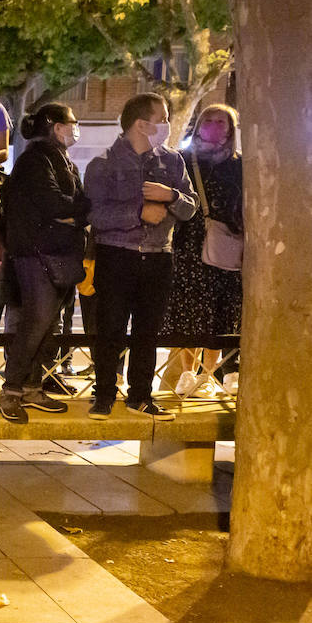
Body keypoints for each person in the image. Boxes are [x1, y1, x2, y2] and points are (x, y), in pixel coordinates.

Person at [86, 92, 196, 420]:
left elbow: (190, 208)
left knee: (148, 331)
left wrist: (172, 195)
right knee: (110, 329)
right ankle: (104, 394)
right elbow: (93, 214)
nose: (166, 124)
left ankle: (141, 396)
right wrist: (138, 212)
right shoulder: (103, 162)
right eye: (162, 118)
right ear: (141, 124)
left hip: (159, 256)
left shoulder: (173, 161)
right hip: (116, 255)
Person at [0, 103, 90, 424]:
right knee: (34, 324)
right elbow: (54, 204)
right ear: (54, 125)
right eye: (72, 122)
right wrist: (78, 210)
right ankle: (11, 390)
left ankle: (33, 387)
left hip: (58, 254)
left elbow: (73, 207)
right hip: (36, 255)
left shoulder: (61, 160)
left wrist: (74, 212)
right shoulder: (36, 160)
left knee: (48, 326)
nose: (75, 129)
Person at [160, 104, 243, 396]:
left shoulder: (238, 164)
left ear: (231, 129)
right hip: (189, 245)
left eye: (222, 121)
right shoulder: (184, 160)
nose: (214, 126)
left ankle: (209, 374)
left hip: (227, 246)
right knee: (189, 309)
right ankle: (187, 372)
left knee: (222, 309)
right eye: (209, 120)